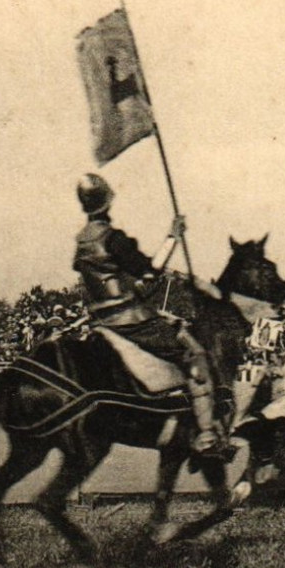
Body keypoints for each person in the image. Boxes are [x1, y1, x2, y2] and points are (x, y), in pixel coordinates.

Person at [72, 173, 227, 456]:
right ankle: (206, 435)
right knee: (195, 353)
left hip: (99, 322)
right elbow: (150, 269)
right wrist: (173, 237)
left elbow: (108, 280)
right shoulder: (112, 239)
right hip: (131, 321)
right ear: (108, 202)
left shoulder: (81, 242)